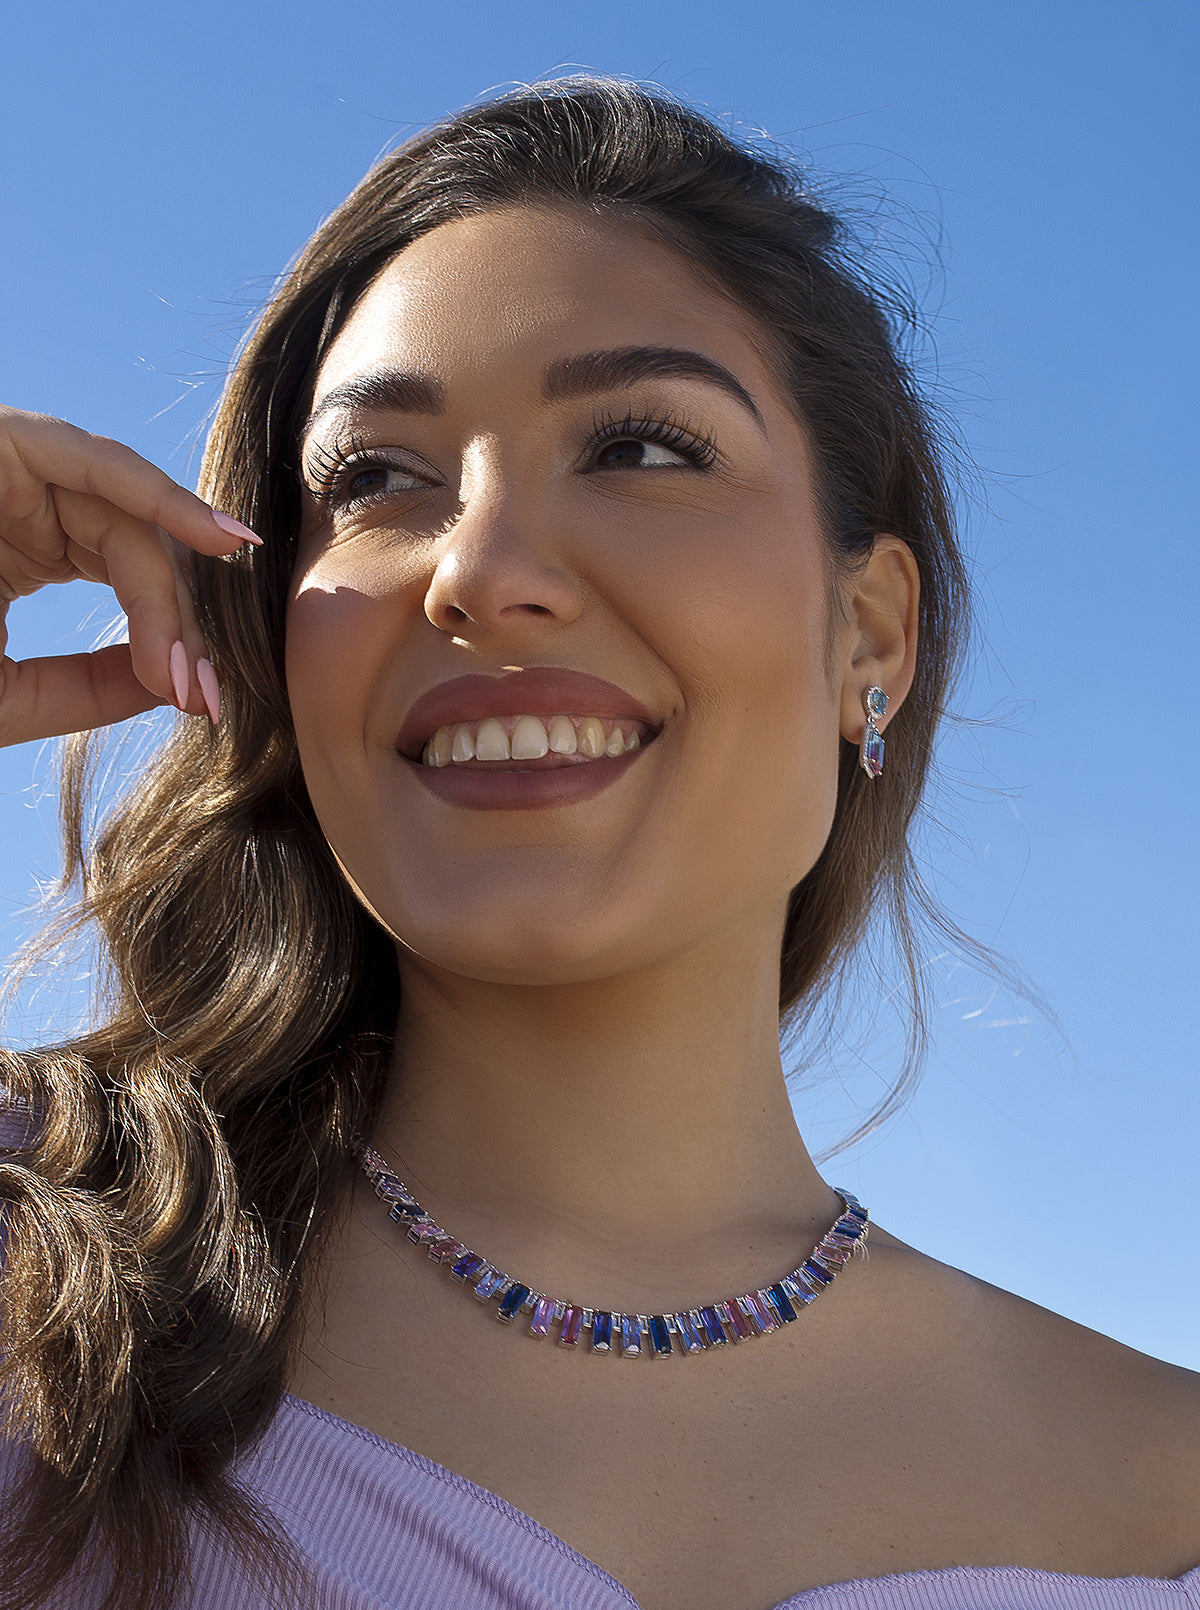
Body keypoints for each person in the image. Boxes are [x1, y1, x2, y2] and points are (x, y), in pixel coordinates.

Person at [0, 76, 1196, 1610]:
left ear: (869, 635)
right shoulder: (49, 1272)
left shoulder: (1169, 1493)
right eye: (376, 479)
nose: (483, 573)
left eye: (639, 446)